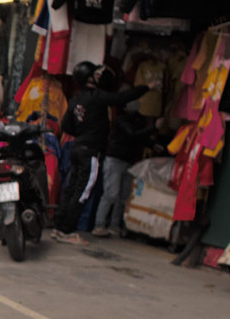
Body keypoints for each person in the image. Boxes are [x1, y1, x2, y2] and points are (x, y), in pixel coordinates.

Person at [54, 61, 153, 245]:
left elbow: (67, 126)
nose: (99, 77)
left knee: (70, 189)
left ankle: (59, 227)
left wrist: (83, 131)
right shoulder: (98, 97)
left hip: (77, 148)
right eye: (96, 74)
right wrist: (147, 87)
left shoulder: (75, 100)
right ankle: (67, 231)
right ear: (89, 78)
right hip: (90, 152)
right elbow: (123, 97)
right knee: (82, 192)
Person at [93, 109, 160, 237]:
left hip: (128, 161)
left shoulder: (137, 120)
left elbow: (138, 137)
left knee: (122, 196)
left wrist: (152, 144)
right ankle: (99, 224)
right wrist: (153, 128)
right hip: (115, 159)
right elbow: (133, 134)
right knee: (111, 193)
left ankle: (114, 225)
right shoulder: (122, 120)